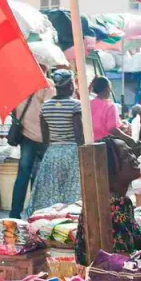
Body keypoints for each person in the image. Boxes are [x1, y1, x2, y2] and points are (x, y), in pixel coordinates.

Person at [75, 137, 141, 266]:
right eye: (125, 157)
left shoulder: (119, 200)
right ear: (110, 169)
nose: (133, 158)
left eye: (131, 152)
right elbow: (122, 259)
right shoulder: (114, 205)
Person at [29, 70, 83, 213]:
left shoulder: (45, 106)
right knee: (72, 191)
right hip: (72, 153)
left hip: (52, 153)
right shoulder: (76, 105)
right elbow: (79, 135)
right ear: (71, 85)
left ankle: (49, 217)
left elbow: (45, 137)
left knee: (52, 191)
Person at [9, 71, 55, 219]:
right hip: (44, 137)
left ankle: (15, 214)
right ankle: (37, 213)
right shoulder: (46, 84)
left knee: (23, 174)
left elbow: (13, 108)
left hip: (26, 135)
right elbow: (51, 109)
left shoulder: (19, 85)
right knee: (42, 176)